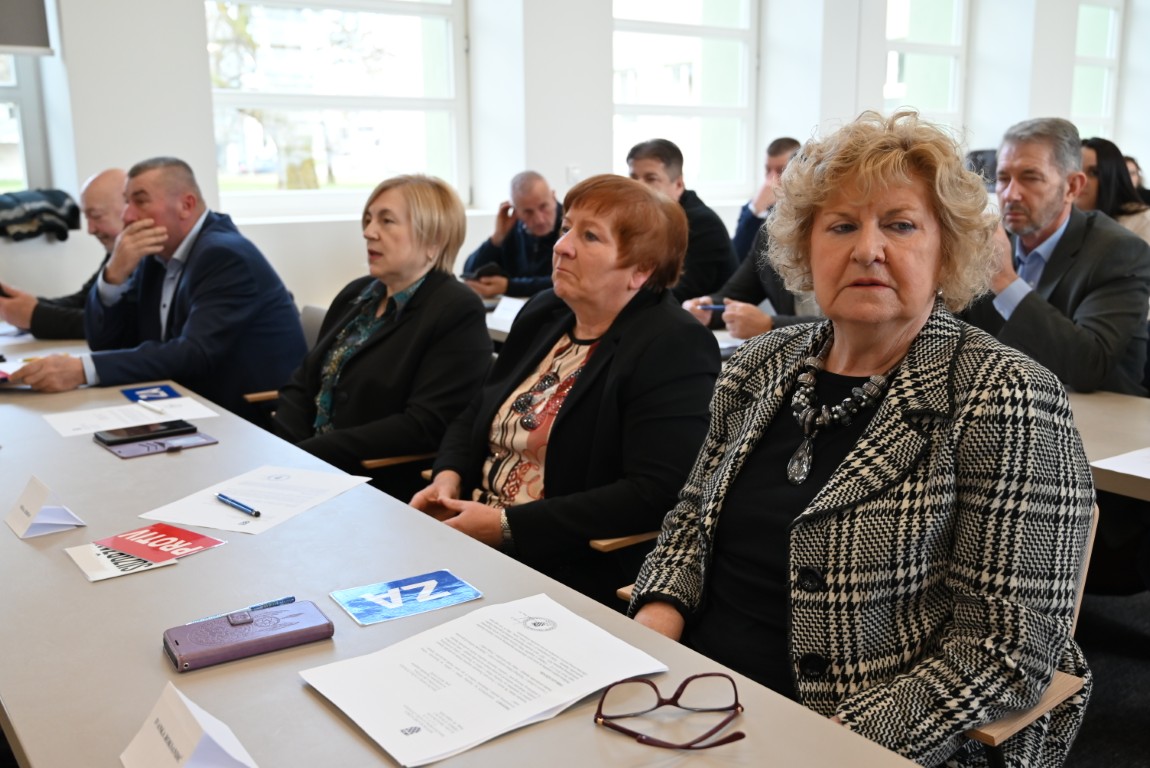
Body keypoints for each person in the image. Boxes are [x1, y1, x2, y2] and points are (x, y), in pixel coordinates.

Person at [630, 111, 1095, 767]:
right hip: (691, 704)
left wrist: (821, 748)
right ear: (806, 247)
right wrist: (650, 643)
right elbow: (689, 523)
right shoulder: (755, 365)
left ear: (948, 250)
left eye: (900, 225)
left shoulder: (1007, 395)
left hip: (866, 739)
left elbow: (1007, 649)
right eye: (842, 226)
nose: (867, 249)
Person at [410, 174, 720, 606]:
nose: (562, 246)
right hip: (468, 531)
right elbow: (478, 409)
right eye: (567, 227)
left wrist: (506, 526)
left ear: (640, 270)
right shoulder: (545, 311)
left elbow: (655, 492)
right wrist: (448, 475)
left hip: (561, 563)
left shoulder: (673, 342)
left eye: (589, 236)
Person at [11, 157, 307, 423]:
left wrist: (81, 370)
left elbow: (194, 353)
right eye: (126, 202)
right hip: (186, 401)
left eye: (140, 202)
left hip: (248, 416)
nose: (128, 216)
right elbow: (106, 343)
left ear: (186, 205)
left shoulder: (224, 256)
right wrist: (114, 276)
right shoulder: (157, 254)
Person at [272, 176, 492, 500]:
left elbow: (424, 425)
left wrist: (309, 456)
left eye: (387, 221)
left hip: (374, 484)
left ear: (434, 240)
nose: (369, 232)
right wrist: (287, 451)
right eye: (368, 219)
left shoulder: (456, 309)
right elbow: (302, 383)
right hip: (306, 469)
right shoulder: (357, 294)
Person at [962, 118, 1150, 396]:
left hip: (1102, 413)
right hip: (1006, 405)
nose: (1011, 194)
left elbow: (1089, 365)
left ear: (1072, 187)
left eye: (1030, 178)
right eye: (1003, 178)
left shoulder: (1119, 251)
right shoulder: (996, 241)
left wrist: (1005, 281)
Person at [0, 169, 125, 339]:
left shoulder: (151, 257)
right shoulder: (118, 251)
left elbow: (120, 324)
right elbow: (85, 300)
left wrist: (36, 316)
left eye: (96, 216)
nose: (90, 229)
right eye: (87, 217)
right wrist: (27, 305)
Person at [627, 139, 737, 302]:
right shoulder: (641, 217)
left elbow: (683, 291)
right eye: (633, 178)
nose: (638, 186)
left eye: (650, 179)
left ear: (678, 184)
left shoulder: (703, 224)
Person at [683, 226, 822, 339]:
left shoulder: (830, 237)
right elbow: (736, 295)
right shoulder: (770, 233)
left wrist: (772, 325)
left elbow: (833, 323)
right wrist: (709, 311)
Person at [462, 171, 561, 298]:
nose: (539, 220)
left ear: (553, 197)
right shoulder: (512, 228)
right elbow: (470, 273)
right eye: (528, 212)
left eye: (543, 207)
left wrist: (510, 287)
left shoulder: (571, 226)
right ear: (516, 211)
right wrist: (496, 239)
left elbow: (565, 281)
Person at [731, 137, 801, 264]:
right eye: (768, 170)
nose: (771, 180)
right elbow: (736, 258)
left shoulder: (806, 210)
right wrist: (756, 211)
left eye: (780, 171)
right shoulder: (752, 207)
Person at [1078, 137, 1150, 244]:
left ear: (1112, 177)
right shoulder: (1062, 217)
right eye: (1076, 170)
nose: (1080, 180)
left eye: (1094, 173)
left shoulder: (1142, 220)